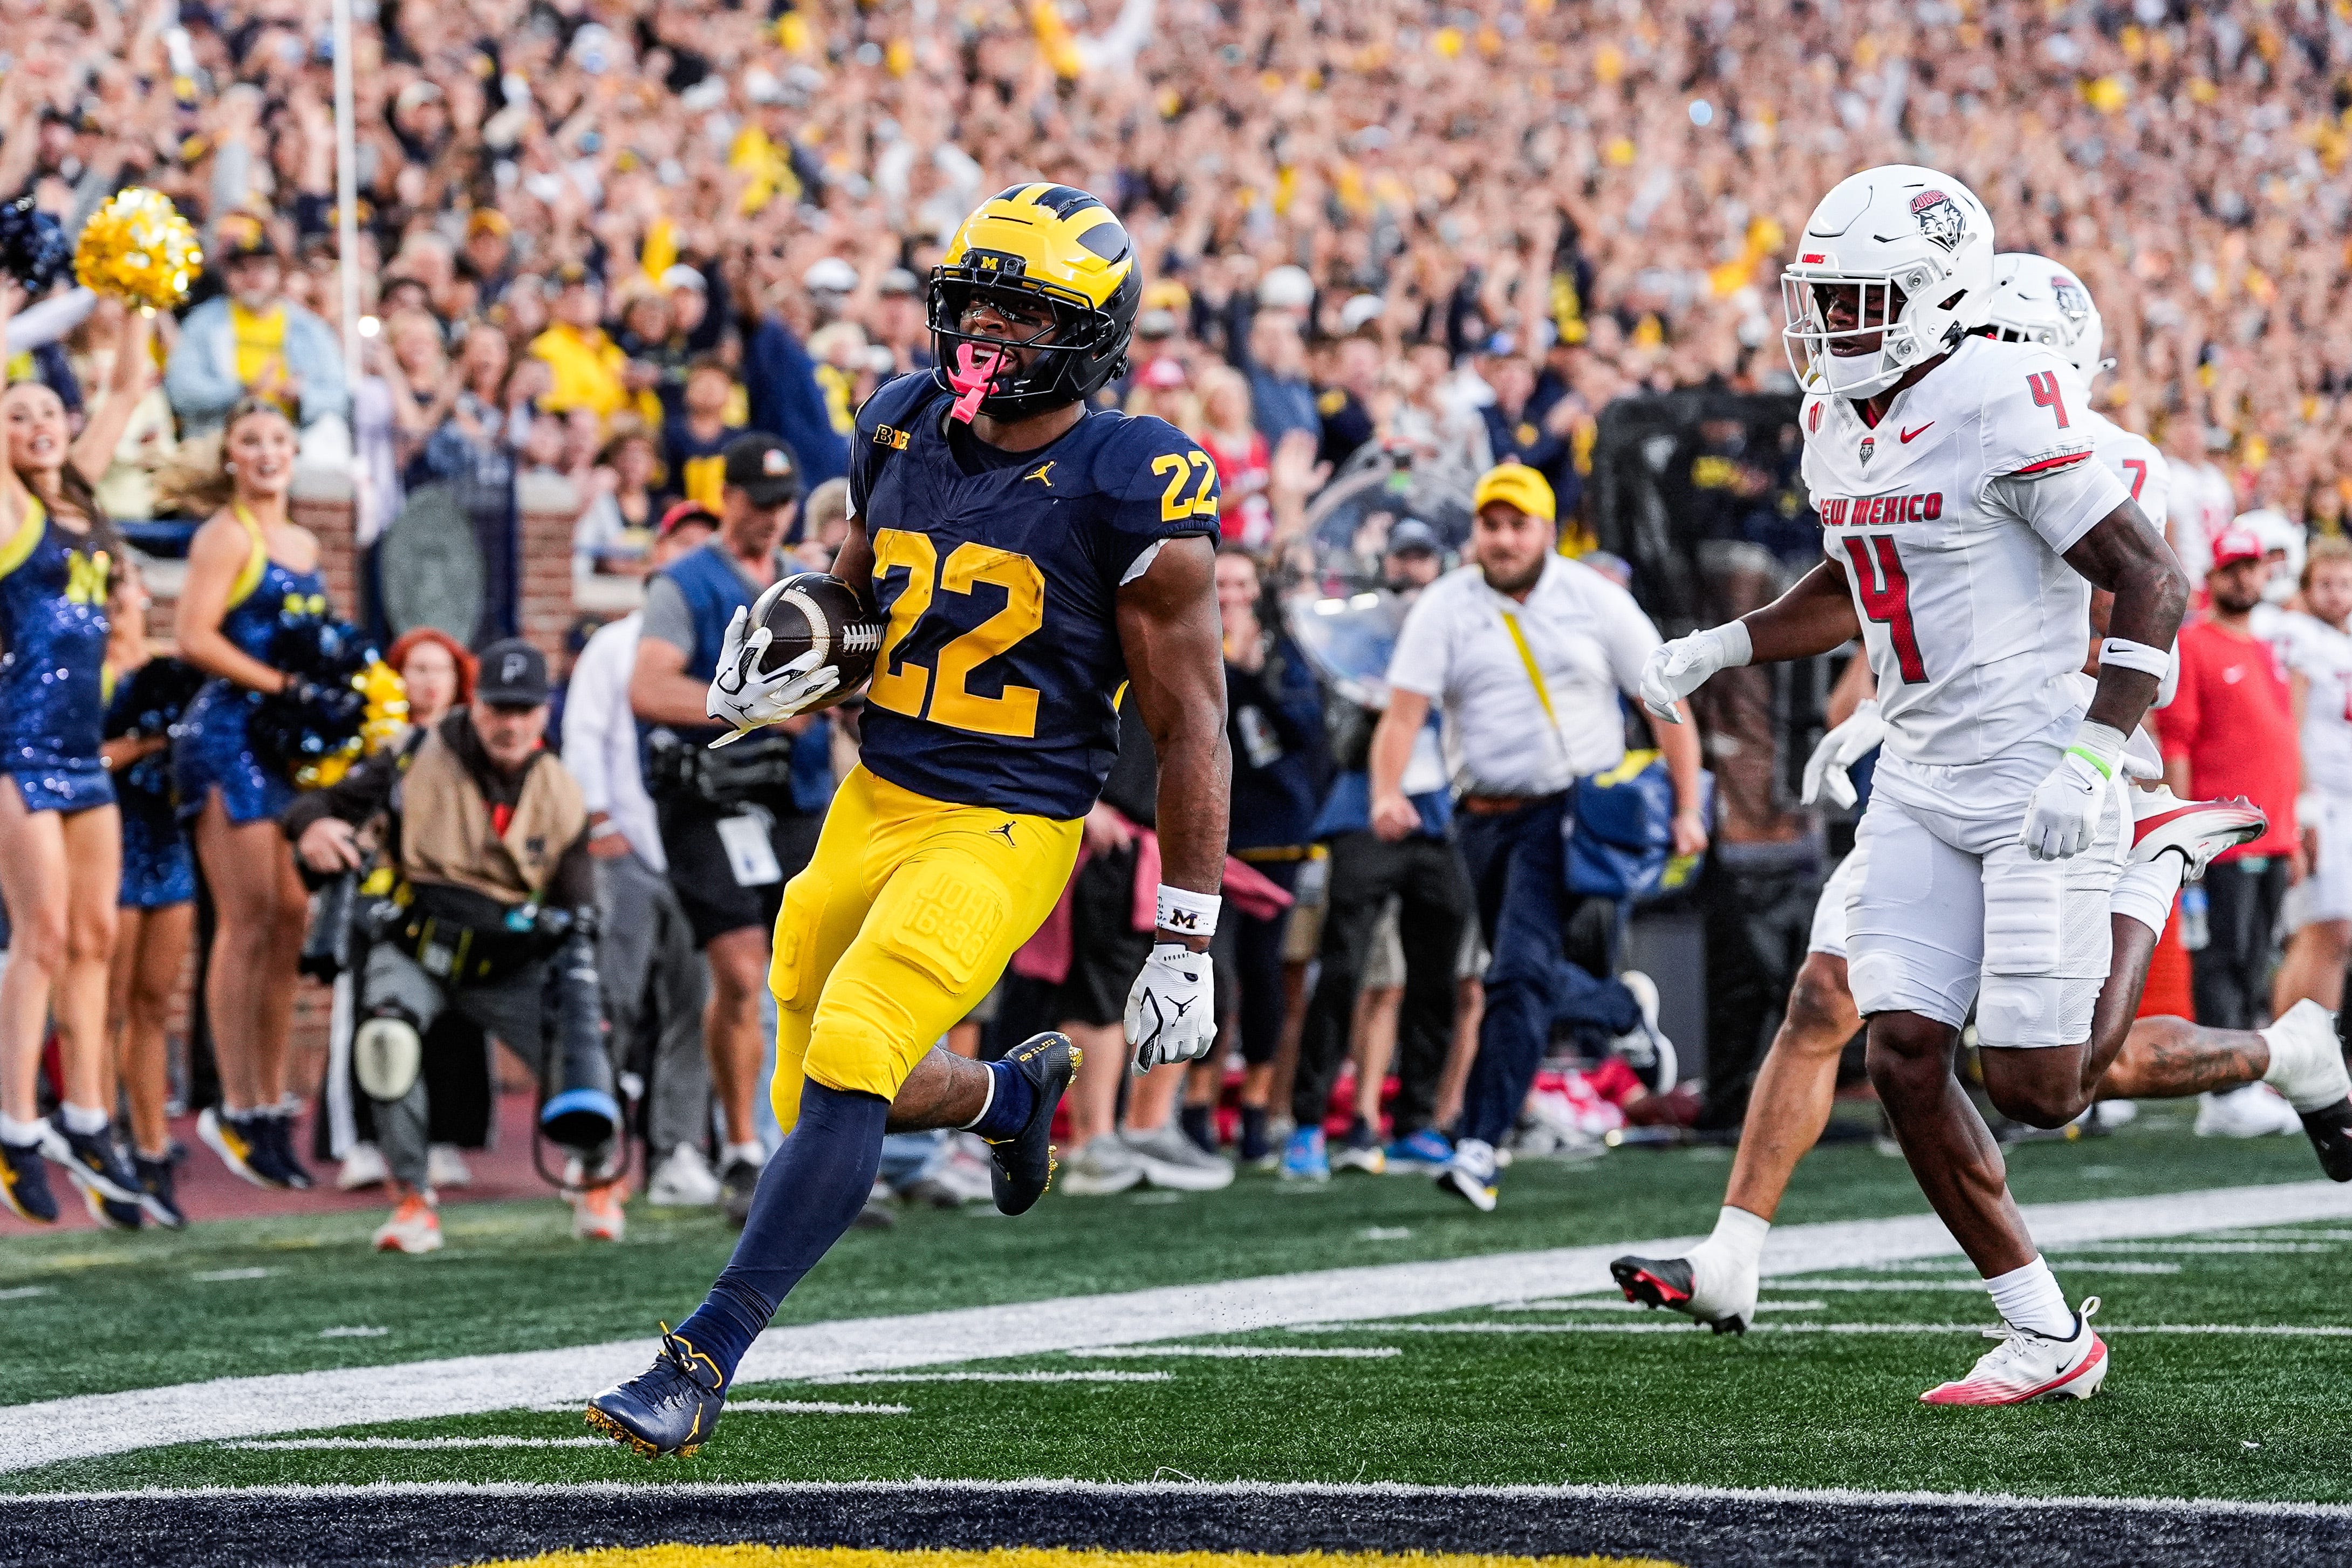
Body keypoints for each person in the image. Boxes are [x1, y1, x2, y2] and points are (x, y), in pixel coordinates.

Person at [1635, 166, 2351, 1405]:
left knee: (2041, 1085)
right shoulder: (1829, 413)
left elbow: (2151, 581)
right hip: (1919, 771)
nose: (1829, 325)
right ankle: (2041, 1331)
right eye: (1825, 298)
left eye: (1858, 299)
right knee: (1901, 1052)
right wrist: (1726, 645)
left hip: (2032, 769)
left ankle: (2148, 860)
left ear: (1932, 296)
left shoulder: (1999, 394)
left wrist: (2088, 755)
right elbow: (1860, 574)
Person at [589, 183, 1229, 1457]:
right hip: (876, 792)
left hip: (1005, 819)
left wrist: (1185, 932)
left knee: (857, 1046)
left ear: (1092, 334)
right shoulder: (895, 420)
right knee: (816, 1078)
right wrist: (795, 654)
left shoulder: (1134, 479)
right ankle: (1006, 1096)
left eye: (1024, 309)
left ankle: (699, 1357)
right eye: (975, 297)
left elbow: (1193, 720)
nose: (986, 328)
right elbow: (860, 591)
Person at [1375, 461, 1704, 1211]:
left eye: (1517, 523)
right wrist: (1387, 789)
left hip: (1565, 812)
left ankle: (1480, 1144)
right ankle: (1621, 1013)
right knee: (1515, 973)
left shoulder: (1595, 599)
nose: (1502, 537)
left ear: (1547, 531)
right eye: (1491, 523)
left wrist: (1689, 805)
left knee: (1516, 973)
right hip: (1477, 815)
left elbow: (1665, 698)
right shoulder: (1445, 604)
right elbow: (1403, 711)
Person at [288, 640, 625, 1252]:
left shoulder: (562, 791)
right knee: (385, 1040)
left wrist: (579, 982)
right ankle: (413, 1200)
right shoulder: (414, 754)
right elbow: (321, 804)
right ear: (476, 706)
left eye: (524, 710)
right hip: (419, 942)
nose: (511, 723)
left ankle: (596, 1175)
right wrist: (313, 827)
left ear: (543, 715)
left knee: (584, 1036)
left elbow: (577, 910)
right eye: (499, 707)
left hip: (512, 959)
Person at [630, 433, 823, 1224]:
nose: (771, 517)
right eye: (758, 502)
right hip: (711, 799)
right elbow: (649, 685)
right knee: (742, 974)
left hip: (793, 796)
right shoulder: (685, 582)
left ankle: (808, 1149)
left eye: (783, 504)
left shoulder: (801, 581)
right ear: (728, 497)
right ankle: (743, 1145)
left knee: (811, 974)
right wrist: (747, 707)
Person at [0, 290, 152, 1227]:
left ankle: (89, 1116)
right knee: (44, 934)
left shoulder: (81, 493)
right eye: (17, 414)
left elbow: (131, 387)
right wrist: (24, 312)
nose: (39, 425)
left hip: (80, 744)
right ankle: (17, 1123)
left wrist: (132, 295)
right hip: (13, 741)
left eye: (48, 411)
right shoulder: (10, 506)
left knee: (100, 935)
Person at [171, 398, 327, 1190]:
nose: (267, 453)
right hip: (229, 738)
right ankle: (233, 1102)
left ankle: (271, 1101)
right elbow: (193, 635)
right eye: (251, 441)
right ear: (230, 455)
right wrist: (282, 684)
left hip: (286, 745)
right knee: (246, 918)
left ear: (294, 455)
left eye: (279, 441)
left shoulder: (303, 539)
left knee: (292, 915)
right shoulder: (227, 534)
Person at [1284, 521, 1472, 1180]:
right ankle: (1308, 1121)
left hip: (1434, 814)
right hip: (1367, 807)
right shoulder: (1358, 628)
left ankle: (1416, 1119)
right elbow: (1347, 711)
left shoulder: (1457, 622)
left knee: (1436, 975)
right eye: (1404, 557)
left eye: (1424, 557)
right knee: (1343, 967)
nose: (1413, 569)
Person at [564, 502, 720, 1209]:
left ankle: (678, 1145)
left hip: (695, 846)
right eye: (681, 545)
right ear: (659, 554)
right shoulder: (617, 642)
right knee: (614, 1000)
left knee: (695, 1003)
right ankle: (595, 1147)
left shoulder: (726, 638)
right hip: (626, 844)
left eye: (701, 547)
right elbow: (584, 731)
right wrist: (599, 819)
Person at [2158, 526, 2314, 1138]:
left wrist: (2294, 829)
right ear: (2214, 576)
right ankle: (2224, 1091)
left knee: (2253, 960)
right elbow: (2178, 741)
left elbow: (2282, 741)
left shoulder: (2265, 648)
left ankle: (2241, 1081)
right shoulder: (2194, 643)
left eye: (2253, 568)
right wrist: (2186, 824)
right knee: (2222, 959)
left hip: (2270, 834)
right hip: (2222, 836)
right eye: (2234, 569)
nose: (2246, 579)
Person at [330, 628, 482, 1194]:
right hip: (380, 898)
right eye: (414, 668)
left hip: (455, 899)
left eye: (438, 668)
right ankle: (361, 1143)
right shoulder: (373, 739)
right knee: (370, 1018)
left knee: (452, 1020)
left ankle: (443, 1138)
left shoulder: (474, 739)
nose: (426, 680)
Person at [1199, 546, 1328, 1164]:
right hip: (1204, 828)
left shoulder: (1283, 648)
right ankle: (1196, 1107)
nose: (1229, 592)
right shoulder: (1185, 632)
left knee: (1264, 975)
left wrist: (1251, 678)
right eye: (1220, 581)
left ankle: (1254, 1110)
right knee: (1209, 975)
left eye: (1240, 582)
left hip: (1274, 831)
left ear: (1257, 589)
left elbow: (1309, 732)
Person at [101, 604, 199, 1229]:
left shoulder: (171, 667)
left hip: (166, 844)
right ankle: (104, 1151)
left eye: (125, 587)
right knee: (104, 1010)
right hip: (107, 844)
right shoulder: (80, 669)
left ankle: (152, 1148)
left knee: (153, 1006)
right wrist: (141, 744)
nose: (116, 602)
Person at [162, 216, 348, 440]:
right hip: (220, 440)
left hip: (294, 443)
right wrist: (242, 391)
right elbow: (180, 392)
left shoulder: (309, 328)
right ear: (227, 275)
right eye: (241, 269)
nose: (252, 277)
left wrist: (302, 396)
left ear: (281, 272)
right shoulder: (202, 322)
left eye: (262, 267)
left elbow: (340, 396)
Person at [2273, 539, 2352, 1016]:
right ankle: (2295, 1057)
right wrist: (2302, 808)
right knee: (2324, 928)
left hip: (2344, 800)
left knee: (2339, 933)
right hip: (2321, 799)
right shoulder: (2301, 636)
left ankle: (2315, 1056)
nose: (2337, 594)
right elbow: (2290, 724)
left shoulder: (2341, 642)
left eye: (2345, 584)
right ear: (2305, 589)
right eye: (2325, 584)